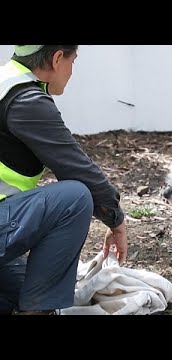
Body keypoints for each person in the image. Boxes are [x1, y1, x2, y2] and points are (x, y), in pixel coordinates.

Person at [0, 45, 128, 315]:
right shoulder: (25, 100)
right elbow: (76, 167)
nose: (71, 71)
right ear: (58, 58)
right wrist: (116, 219)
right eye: (73, 61)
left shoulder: (4, 82)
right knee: (74, 197)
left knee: (23, 290)